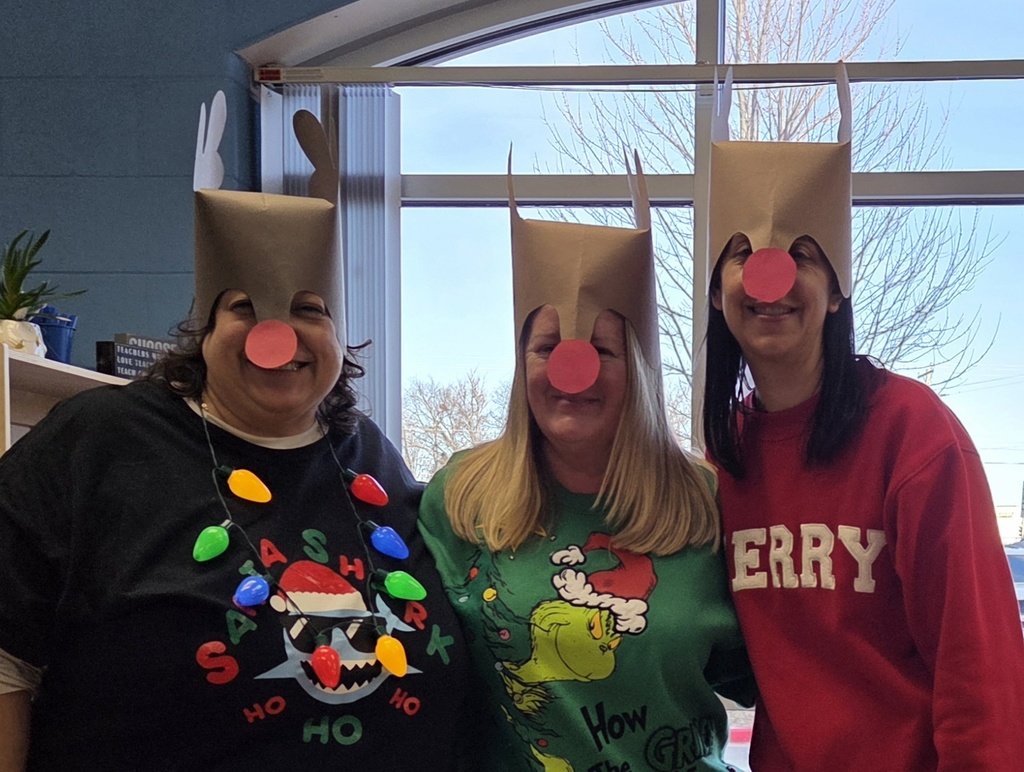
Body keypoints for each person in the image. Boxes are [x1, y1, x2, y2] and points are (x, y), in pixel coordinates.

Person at [0, 92, 469, 770]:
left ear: (337, 335)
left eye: (309, 310)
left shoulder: (367, 453)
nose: (277, 335)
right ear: (205, 328)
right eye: (245, 307)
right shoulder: (100, 439)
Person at [702, 65, 1024, 770]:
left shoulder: (915, 434)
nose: (770, 280)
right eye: (743, 258)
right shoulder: (726, 462)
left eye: (802, 259)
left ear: (837, 290)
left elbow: (982, 677)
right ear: (718, 291)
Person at [419, 153, 753, 771]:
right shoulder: (461, 498)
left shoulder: (707, 501)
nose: (575, 372)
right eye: (549, 348)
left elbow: (778, 670)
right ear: (523, 365)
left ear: (640, 370)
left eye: (602, 349)